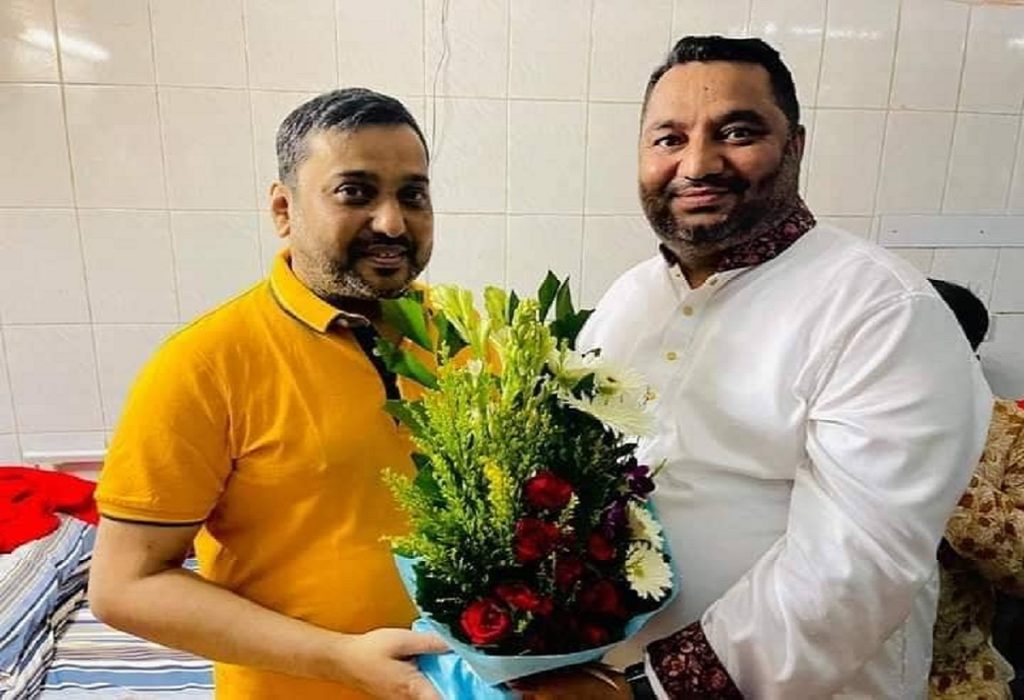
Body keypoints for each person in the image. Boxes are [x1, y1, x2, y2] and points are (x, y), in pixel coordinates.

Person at [523, 36, 992, 699]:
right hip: (602, 676)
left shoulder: (884, 309)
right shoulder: (628, 299)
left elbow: (858, 565)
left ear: (795, 145)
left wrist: (651, 688)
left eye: (737, 133)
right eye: (669, 139)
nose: (697, 163)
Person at [87, 88, 447, 700]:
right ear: (284, 209)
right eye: (355, 192)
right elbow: (125, 585)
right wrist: (339, 658)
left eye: (412, 194)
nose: (391, 222)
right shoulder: (205, 364)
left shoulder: (467, 341)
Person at [927, 279, 1023, 700]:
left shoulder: (1006, 429)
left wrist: (938, 470)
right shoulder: (825, 412)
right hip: (820, 667)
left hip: (949, 675)